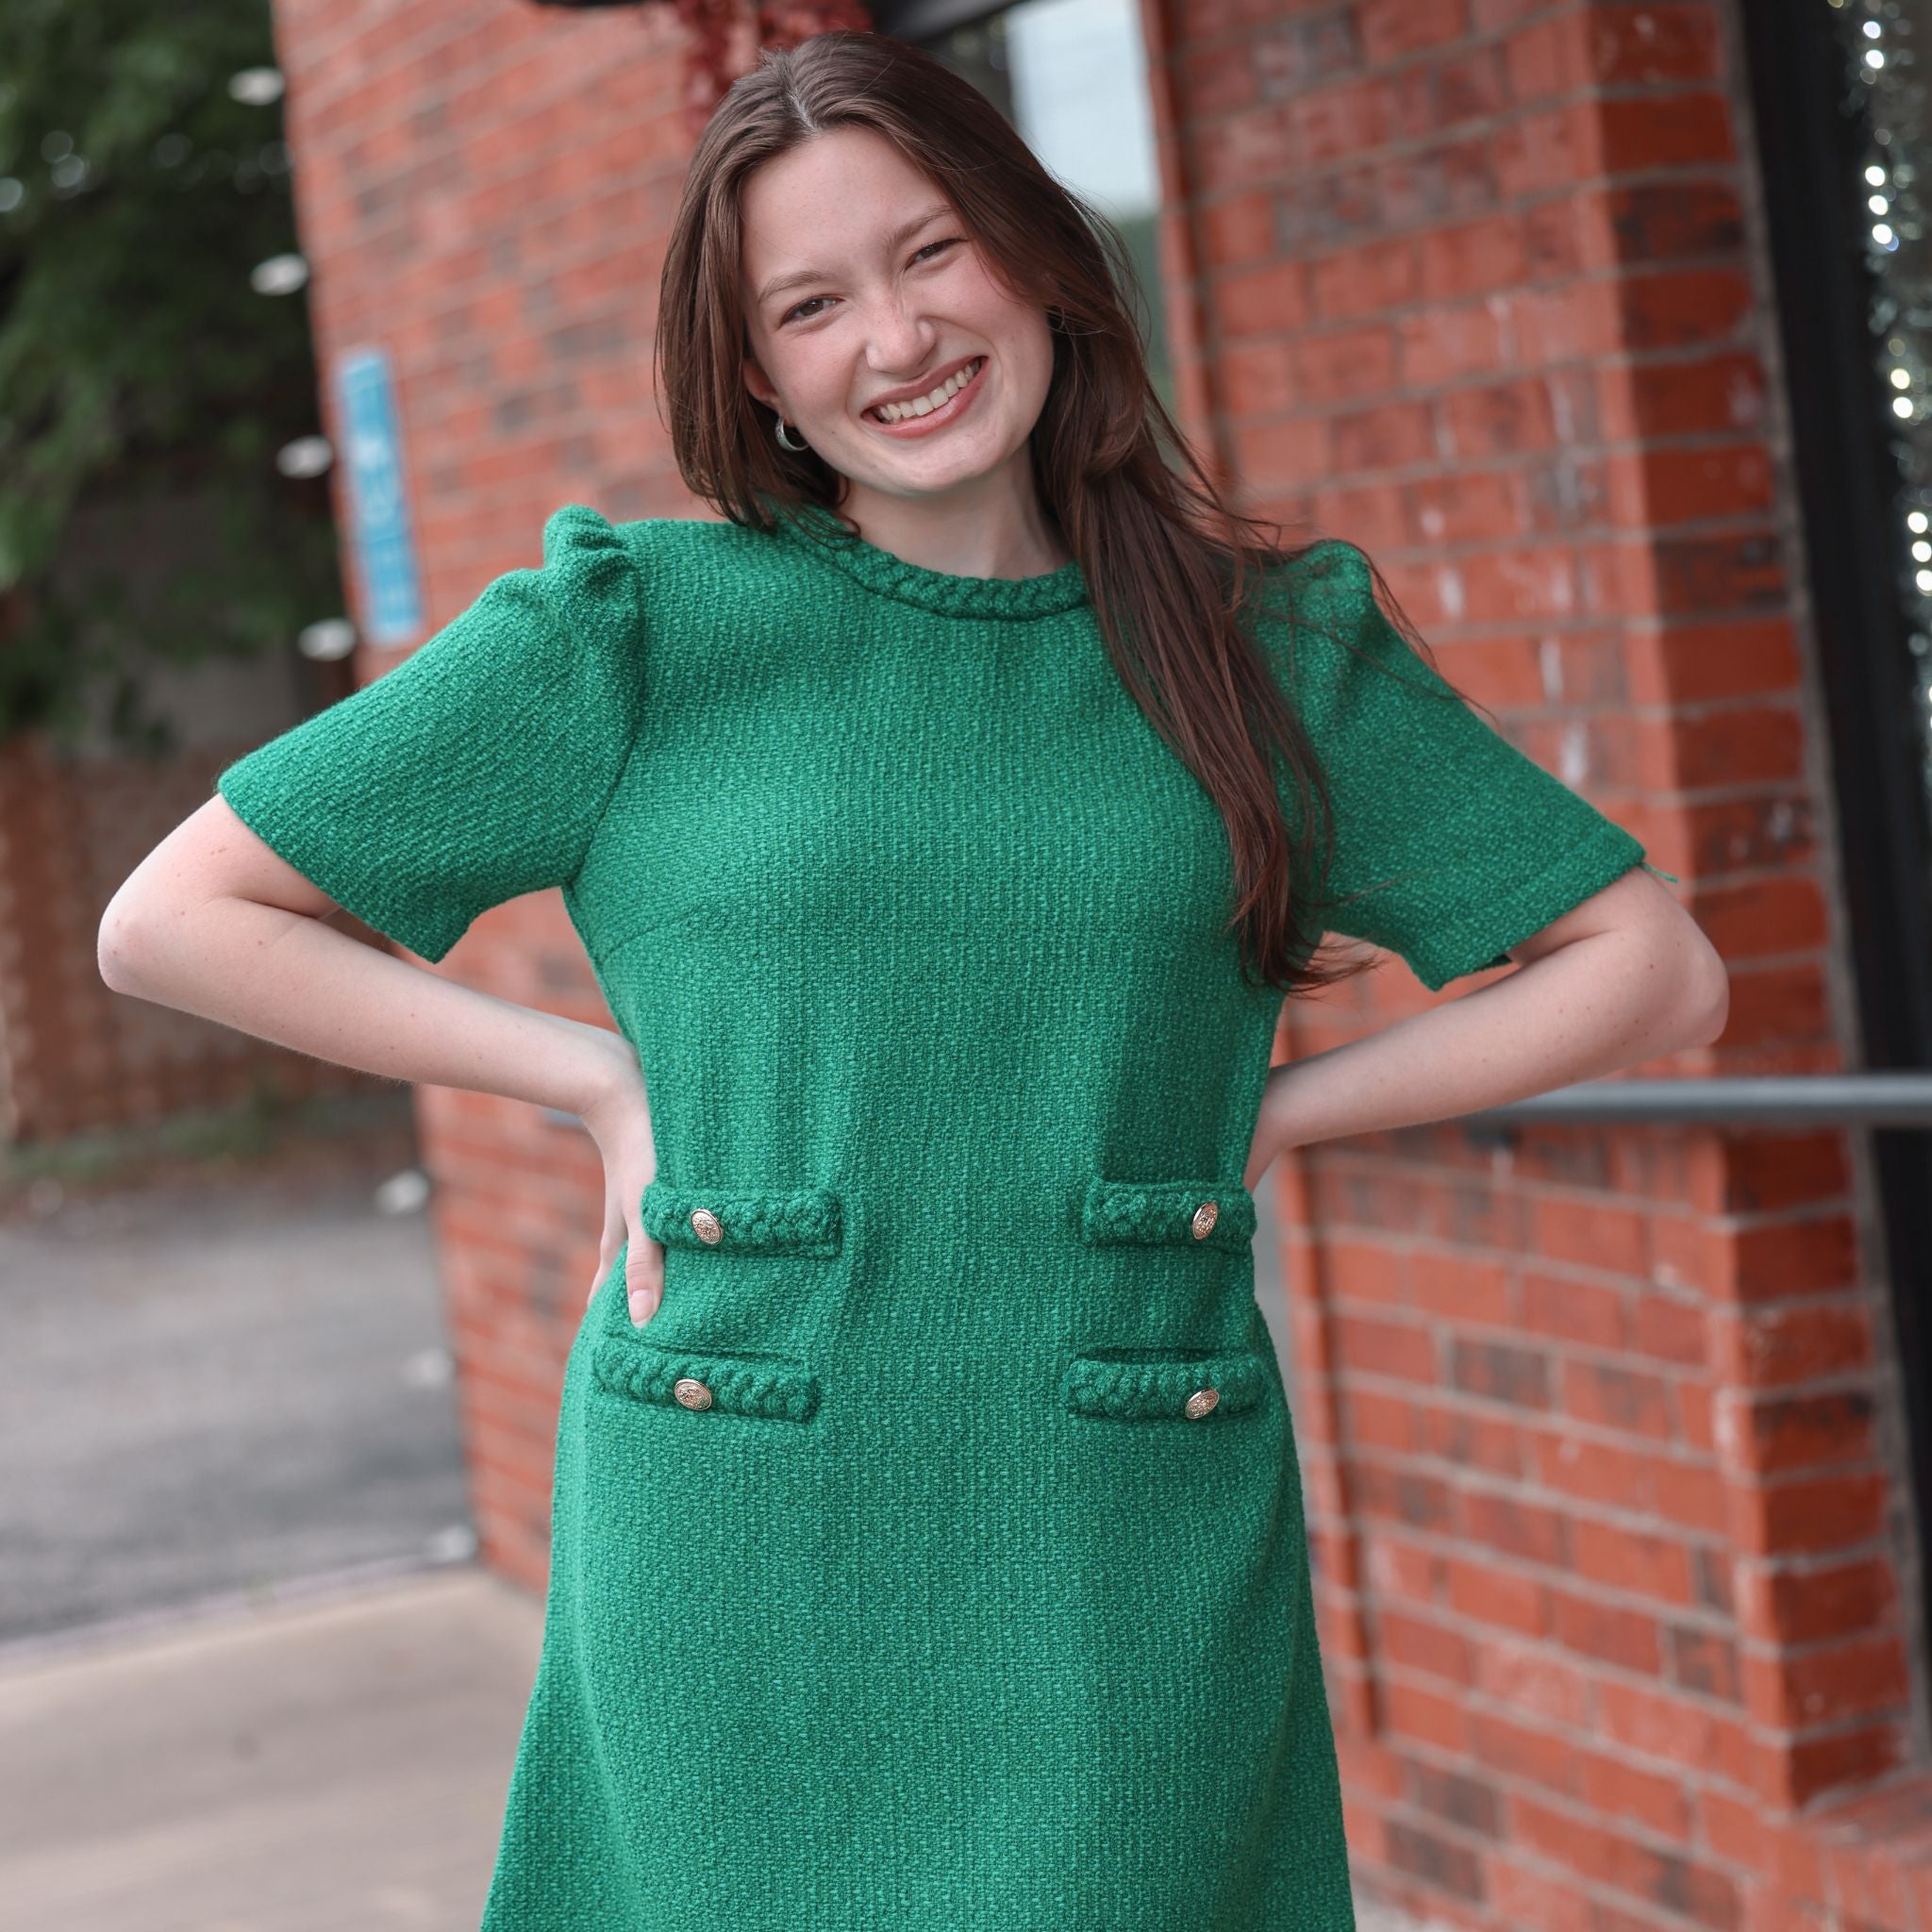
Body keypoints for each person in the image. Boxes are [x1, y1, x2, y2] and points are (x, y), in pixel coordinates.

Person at [97, 26, 1727, 1931]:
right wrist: (594, 1082)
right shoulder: (636, 630)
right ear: (757, 371)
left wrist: (1277, 1115)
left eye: (931, 251)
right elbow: (176, 917)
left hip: (1113, 1509)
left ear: (1035, 256)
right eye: (811, 304)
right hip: (739, 1502)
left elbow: (1651, 969)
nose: (895, 338)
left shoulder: (1264, 649)